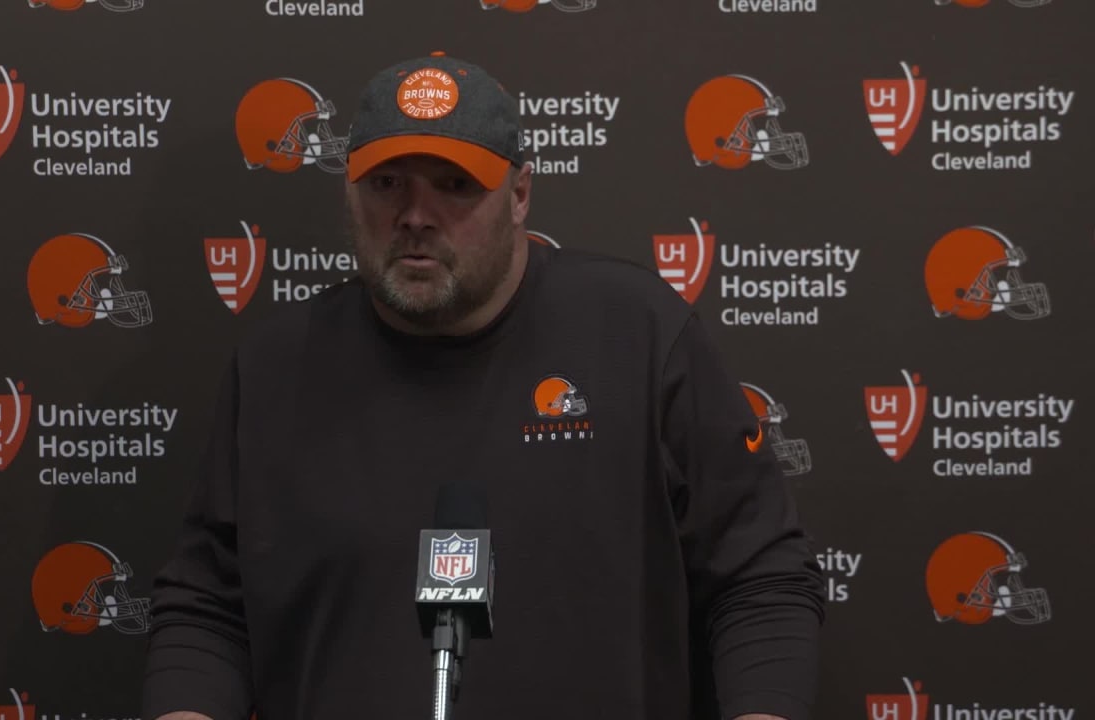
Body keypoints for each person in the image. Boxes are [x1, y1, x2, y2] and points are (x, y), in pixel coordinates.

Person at [142, 52, 826, 720]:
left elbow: (760, 577)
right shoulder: (276, 367)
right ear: (349, 192)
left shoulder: (641, 336)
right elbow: (208, 606)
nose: (416, 214)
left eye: (454, 184)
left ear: (520, 194)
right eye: (387, 183)